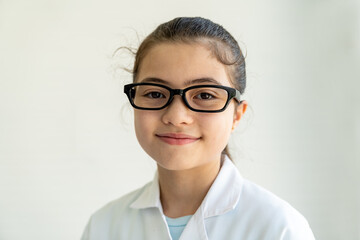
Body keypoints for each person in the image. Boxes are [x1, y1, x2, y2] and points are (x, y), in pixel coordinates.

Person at [81, 17, 315, 240]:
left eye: (204, 95)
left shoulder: (278, 228)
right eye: (155, 93)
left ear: (237, 115)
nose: (176, 117)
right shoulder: (104, 226)